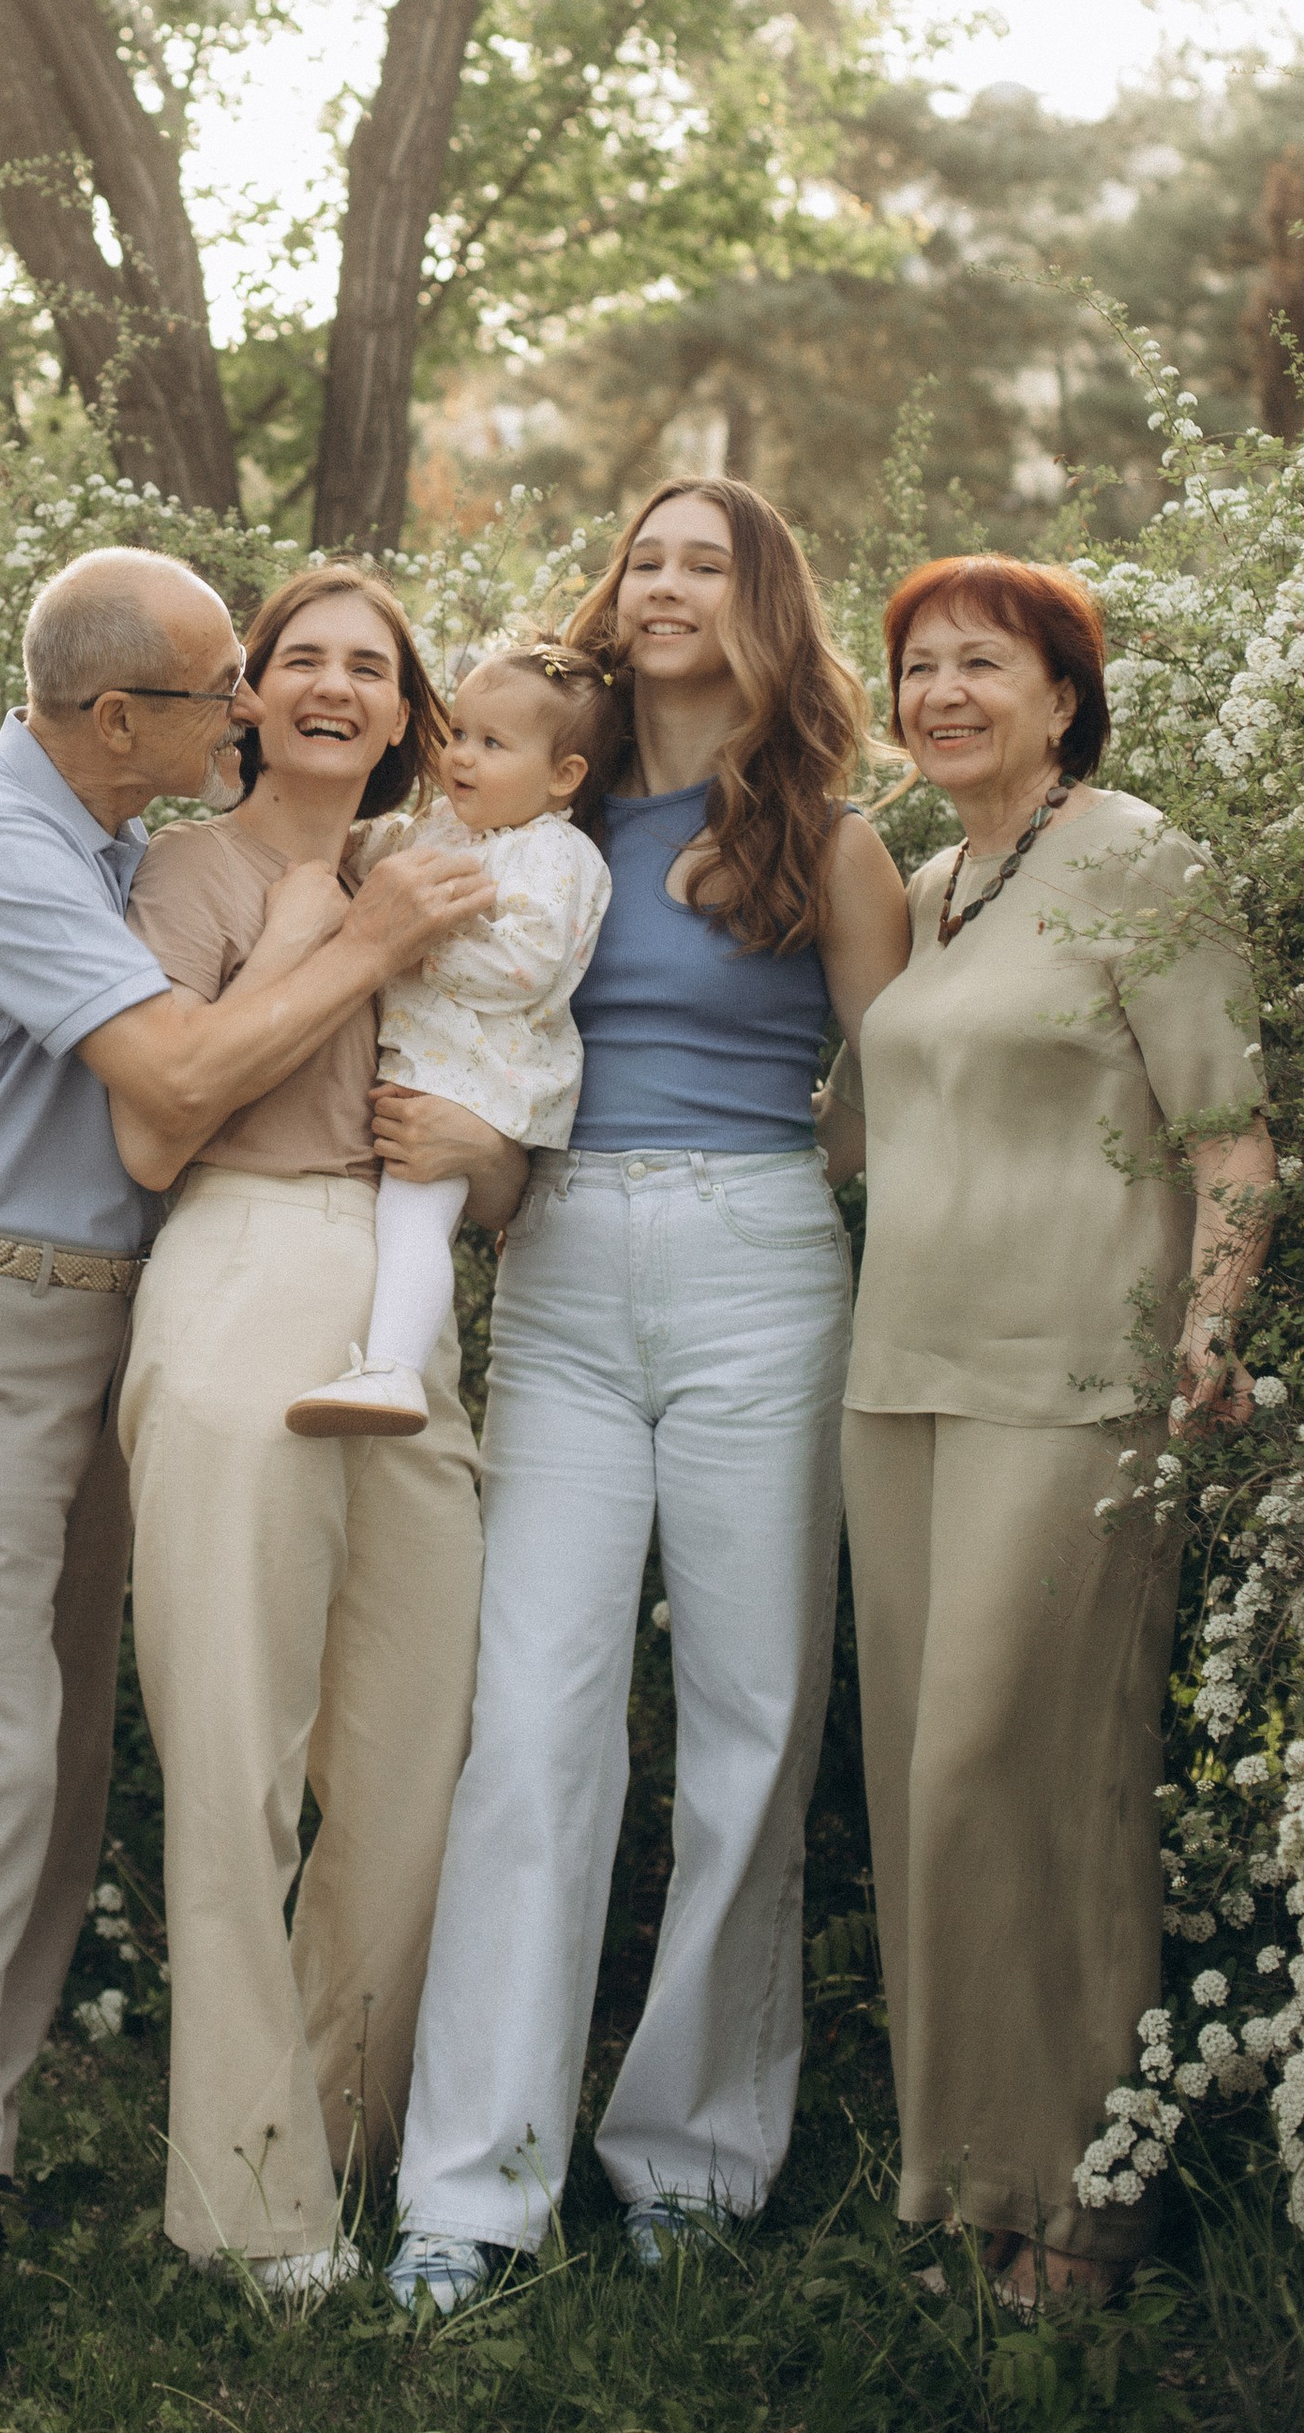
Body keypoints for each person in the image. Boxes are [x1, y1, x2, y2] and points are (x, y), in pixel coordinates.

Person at [0, 546, 494, 2378]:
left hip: (94, 1323)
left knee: (50, 1796)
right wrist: (359, 935)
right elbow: (174, 1093)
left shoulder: (116, 838)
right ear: (119, 715)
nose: (251, 711)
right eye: (224, 688)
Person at [385, 479, 912, 2315]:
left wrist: (796, 1177)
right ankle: (474, 2190)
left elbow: (889, 1088)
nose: (667, 584)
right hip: (565, 1266)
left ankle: (693, 2155)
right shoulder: (539, 795)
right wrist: (476, 1156)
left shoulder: (831, 841)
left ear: (763, 604)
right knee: (531, 1724)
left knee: (752, 1724)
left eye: (708, 561)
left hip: (765, 1263)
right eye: (647, 558)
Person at [835, 556, 1275, 2311]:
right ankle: (975, 2182)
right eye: (917, 666)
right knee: (922, 1803)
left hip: (1079, 1380)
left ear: (1063, 694)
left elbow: (1231, 1137)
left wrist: (1210, 1337)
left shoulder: (1140, 859)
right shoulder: (931, 886)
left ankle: (1086, 2214)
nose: (943, 692)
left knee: (1025, 1784)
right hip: (901, 1381)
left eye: (981, 665)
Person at [106, 565, 508, 2299]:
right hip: (243, 1274)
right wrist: (342, 943)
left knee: (413, 1769)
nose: (338, 687)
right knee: (237, 1770)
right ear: (250, 699)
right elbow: (152, 1132)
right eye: (303, 663)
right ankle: (250, 2201)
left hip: (410, 1306)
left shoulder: (444, 882)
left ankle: (341, 2138)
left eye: (375, 668)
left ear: (414, 714)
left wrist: (486, 1158)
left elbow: (512, 1138)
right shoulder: (185, 875)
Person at [287, 641, 619, 1437]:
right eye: (459, 733)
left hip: (485, 1073)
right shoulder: (448, 826)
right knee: (394, 1208)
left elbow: (527, 964)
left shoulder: (554, 854)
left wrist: (414, 944)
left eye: (492, 745)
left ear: (564, 775)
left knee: (414, 1210)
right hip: (432, 1063)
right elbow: (375, 852)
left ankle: (395, 1371)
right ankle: (380, 1359)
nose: (460, 756)